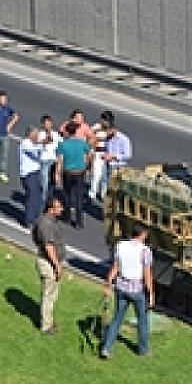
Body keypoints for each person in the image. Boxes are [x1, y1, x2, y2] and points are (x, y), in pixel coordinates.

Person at [101, 223, 155, 359]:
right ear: (142, 235)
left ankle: (107, 348)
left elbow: (115, 268)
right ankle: (143, 350)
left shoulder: (121, 246)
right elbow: (147, 274)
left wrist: (107, 285)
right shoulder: (145, 251)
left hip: (121, 287)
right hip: (136, 289)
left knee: (117, 319)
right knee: (142, 320)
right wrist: (151, 293)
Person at [31, 195, 66, 334]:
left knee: (52, 294)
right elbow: (48, 246)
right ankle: (46, 326)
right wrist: (57, 265)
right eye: (59, 207)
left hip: (51, 261)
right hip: (48, 262)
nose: (62, 209)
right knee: (48, 294)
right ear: (51, 208)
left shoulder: (49, 220)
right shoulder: (46, 223)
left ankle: (49, 321)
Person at [55, 123, 92, 227]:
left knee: (67, 195)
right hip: (80, 172)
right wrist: (86, 165)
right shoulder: (82, 143)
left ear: (67, 132)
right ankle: (79, 222)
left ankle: (67, 217)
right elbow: (89, 154)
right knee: (79, 197)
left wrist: (57, 174)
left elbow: (60, 161)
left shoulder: (63, 145)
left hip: (68, 173)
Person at [20, 120, 57, 224]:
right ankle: (29, 220)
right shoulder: (25, 143)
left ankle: (36, 217)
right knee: (32, 197)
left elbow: (40, 147)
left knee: (38, 196)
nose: (37, 136)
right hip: (28, 174)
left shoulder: (34, 143)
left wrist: (45, 141)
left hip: (35, 173)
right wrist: (44, 142)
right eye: (35, 134)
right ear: (30, 134)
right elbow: (33, 149)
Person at [92, 112, 133, 205]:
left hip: (118, 166)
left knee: (116, 187)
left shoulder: (124, 139)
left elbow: (128, 155)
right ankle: (104, 199)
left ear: (113, 130)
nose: (106, 134)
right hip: (108, 164)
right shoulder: (108, 138)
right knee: (105, 181)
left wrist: (113, 156)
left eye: (108, 132)